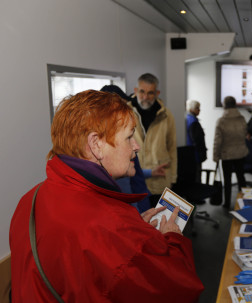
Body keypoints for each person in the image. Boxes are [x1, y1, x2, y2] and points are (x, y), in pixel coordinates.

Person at [9, 90, 203, 302]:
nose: (136, 147)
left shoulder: (30, 199)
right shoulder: (111, 224)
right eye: (129, 137)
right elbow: (179, 290)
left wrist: (135, 234)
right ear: (96, 144)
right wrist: (172, 238)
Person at [100, 84, 166, 213]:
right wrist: (138, 219)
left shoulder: (120, 133)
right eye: (122, 107)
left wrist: (151, 172)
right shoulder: (111, 147)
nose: (136, 147)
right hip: (136, 211)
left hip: (142, 200)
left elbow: (133, 170)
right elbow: (124, 193)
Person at [129, 73, 177, 204]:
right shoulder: (125, 112)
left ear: (157, 93)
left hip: (160, 181)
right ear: (135, 90)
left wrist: (173, 178)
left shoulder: (166, 115)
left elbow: (172, 147)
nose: (145, 97)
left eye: (150, 93)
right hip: (135, 180)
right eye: (142, 91)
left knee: (159, 221)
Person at [213, 96, 248, 209]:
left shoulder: (221, 121)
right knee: (241, 178)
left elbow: (217, 141)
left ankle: (227, 203)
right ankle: (244, 202)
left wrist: (216, 156)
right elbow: (245, 134)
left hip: (226, 154)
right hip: (240, 153)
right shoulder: (242, 118)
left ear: (224, 105)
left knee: (227, 180)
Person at [185, 99, 207, 182]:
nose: (199, 110)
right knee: (197, 179)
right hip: (195, 155)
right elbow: (198, 141)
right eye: (197, 108)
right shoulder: (194, 122)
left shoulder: (187, 119)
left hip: (189, 155)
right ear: (191, 109)